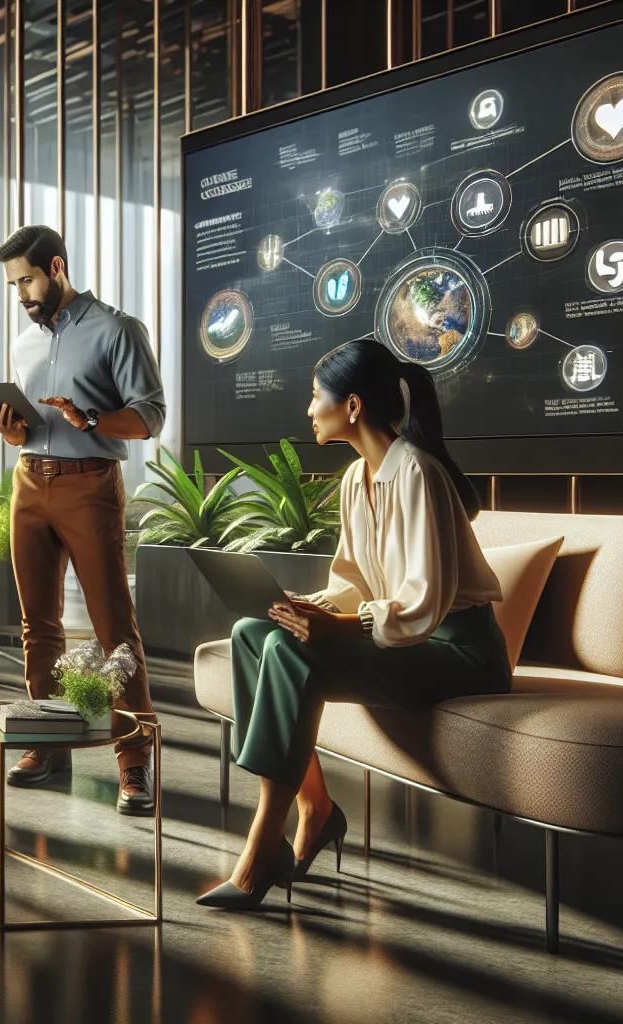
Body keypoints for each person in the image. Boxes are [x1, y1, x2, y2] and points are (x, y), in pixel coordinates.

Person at [196, 340, 507, 910]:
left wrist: (339, 627)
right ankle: (315, 809)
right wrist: (308, 604)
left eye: (316, 397)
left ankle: (260, 851)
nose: (309, 410)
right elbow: (355, 583)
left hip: (458, 650)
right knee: (252, 635)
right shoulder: (354, 480)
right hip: (403, 639)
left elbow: (423, 604)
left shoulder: (418, 473)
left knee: (291, 655)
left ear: (354, 406)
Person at [0, 224, 165, 816]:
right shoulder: (22, 342)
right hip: (27, 482)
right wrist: (11, 429)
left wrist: (90, 418)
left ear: (57, 267)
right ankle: (47, 742)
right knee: (37, 626)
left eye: (28, 280)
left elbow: (150, 418)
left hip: (90, 486)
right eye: (13, 285)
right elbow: (30, 422)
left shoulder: (118, 329)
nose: (21, 295)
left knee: (115, 626)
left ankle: (135, 760)